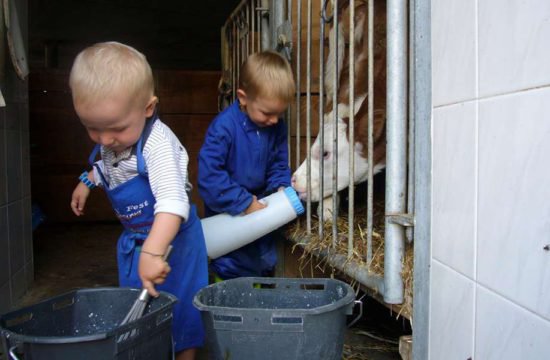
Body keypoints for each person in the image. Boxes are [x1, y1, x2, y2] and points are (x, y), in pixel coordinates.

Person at [69, 42, 207, 360]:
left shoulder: (158, 145)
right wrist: (88, 181)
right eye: (92, 129)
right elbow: (110, 167)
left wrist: (154, 250)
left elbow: (173, 202)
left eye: (115, 128)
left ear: (148, 108)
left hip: (176, 245)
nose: (105, 140)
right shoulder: (114, 140)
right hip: (136, 242)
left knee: (181, 306)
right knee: (138, 307)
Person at [198, 50, 295, 281]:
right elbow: (209, 176)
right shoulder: (224, 128)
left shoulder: (276, 126)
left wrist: (280, 186)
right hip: (227, 207)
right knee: (231, 260)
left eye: (280, 114)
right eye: (267, 113)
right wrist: (241, 202)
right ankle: (227, 298)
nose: (274, 120)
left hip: (260, 203)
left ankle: (255, 301)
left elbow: (278, 162)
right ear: (243, 97)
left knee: (264, 258)